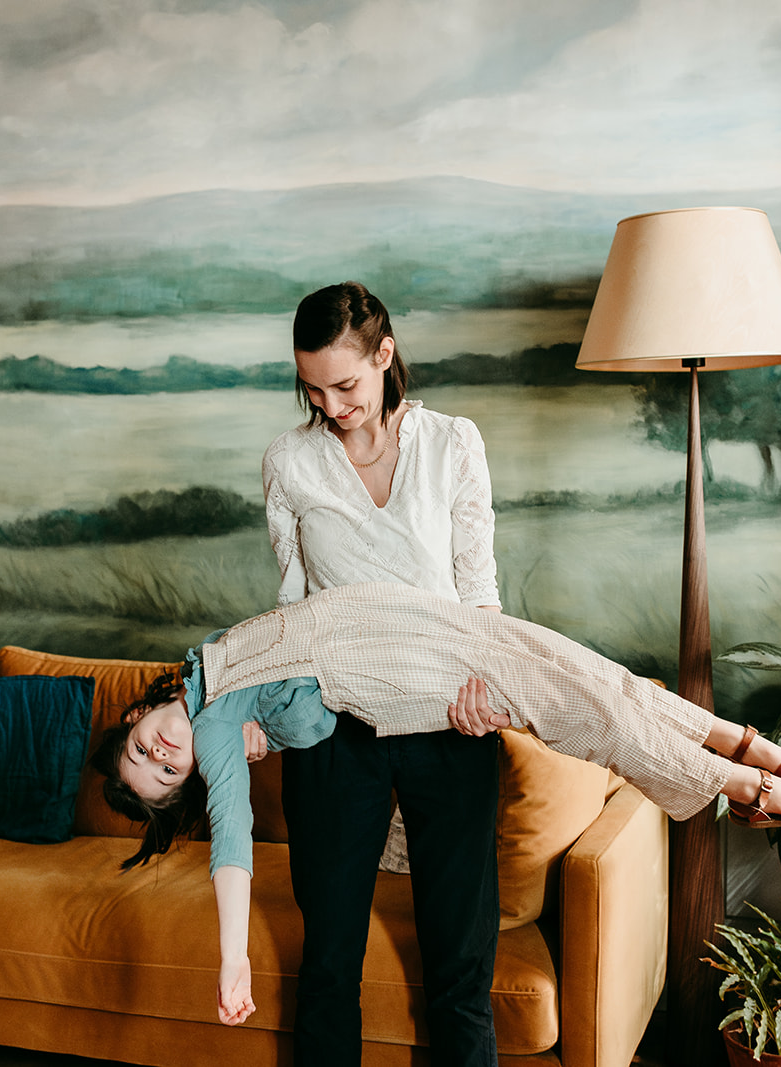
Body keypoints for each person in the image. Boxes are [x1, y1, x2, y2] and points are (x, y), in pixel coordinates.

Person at [92, 581, 781, 1028]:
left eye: (139, 750)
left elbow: (298, 688)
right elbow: (233, 845)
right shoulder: (219, 728)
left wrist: (275, 725)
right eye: (161, 776)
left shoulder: (210, 666)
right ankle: (756, 781)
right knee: (588, 713)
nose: (158, 755)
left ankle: (752, 753)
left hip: (409, 622)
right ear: (188, 781)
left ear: (134, 718)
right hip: (397, 668)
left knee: (600, 682)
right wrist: (233, 960)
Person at [261, 281, 503, 1064]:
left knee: (460, 967)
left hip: (452, 728)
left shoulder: (453, 443)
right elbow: (293, 607)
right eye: (313, 386)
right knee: (329, 964)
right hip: (334, 734)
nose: (331, 404)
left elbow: (480, 593)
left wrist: (487, 686)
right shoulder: (289, 462)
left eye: (346, 383)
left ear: (385, 355)